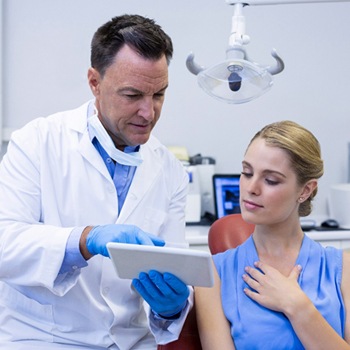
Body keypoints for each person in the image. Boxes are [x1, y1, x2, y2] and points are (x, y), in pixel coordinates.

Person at [0, 14, 193, 349]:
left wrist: (171, 307)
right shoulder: (38, 141)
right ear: (94, 82)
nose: (149, 112)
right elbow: (5, 244)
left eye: (159, 94)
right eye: (132, 95)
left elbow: (173, 269)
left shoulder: (170, 171)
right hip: (43, 339)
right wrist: (85, 240)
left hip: (130, 342)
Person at [195, 120, 350, 350]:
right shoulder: (211, 276)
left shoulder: (343, 268)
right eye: (247, 173)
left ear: (305, 190)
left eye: (271, 180)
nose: (251, 188)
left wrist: (298, 307)